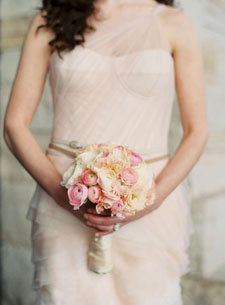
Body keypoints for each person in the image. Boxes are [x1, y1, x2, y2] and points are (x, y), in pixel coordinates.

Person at [3, 0, 208, 304]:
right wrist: (64, 197)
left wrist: (150, 200)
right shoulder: (50, 20)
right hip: (64, 203)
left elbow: (197, 131)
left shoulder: (174, 22)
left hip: (150, 208)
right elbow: (14, 125)